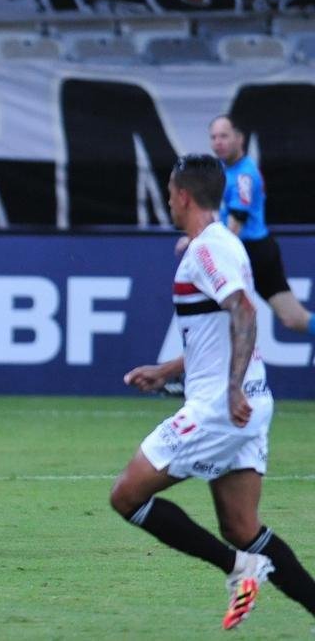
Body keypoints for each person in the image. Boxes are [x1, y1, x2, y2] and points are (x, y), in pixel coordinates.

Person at [112, 154, 315, 630]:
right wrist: (167, 370)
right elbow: (222, 327)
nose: (167, 198)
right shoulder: (222, 244)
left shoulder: (206, 250)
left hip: (223, 408)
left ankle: (239, 568)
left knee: (127, 497)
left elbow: (245, 313)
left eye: (168, 190)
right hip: (248, 402)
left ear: (182, 194)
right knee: (242, 528)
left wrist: (230, 390)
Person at [177, 115, 314, 337]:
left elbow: (233, 227)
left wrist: (199, 242)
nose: (218, 142)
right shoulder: (219, 169)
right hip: (237, 250)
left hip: (254, 253)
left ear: (240, 139)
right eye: (213, 137)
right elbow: (217, 215)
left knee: (292, 318)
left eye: (224, 136)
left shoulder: (245, 176)